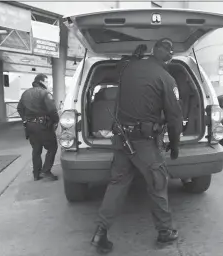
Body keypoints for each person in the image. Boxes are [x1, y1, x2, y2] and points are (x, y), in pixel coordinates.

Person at [91, 39, 184, 254]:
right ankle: (165, 232)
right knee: (158, 183)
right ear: (169, 57)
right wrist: (176, 146)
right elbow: (175, 117)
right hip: (145, 144)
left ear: (152, 51)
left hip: (122, 139)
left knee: (117, 184)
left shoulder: (128, 68)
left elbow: (117, 68)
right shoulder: (166, 78)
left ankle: (100, 233)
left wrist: (133, 57)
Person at [17, 74, 59, 182]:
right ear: (42, 81)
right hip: (43, 125)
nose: (48, 84)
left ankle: (36, 174)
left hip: (30, 126)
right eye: (47, 81)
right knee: (52, 147)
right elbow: (52, 110)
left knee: (36, 149)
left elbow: (19, 108)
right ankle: (46, 171)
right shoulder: (44, 93)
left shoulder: (25, 93)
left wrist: (25, 120)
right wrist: (55, 121)